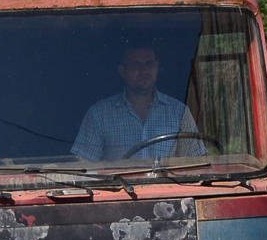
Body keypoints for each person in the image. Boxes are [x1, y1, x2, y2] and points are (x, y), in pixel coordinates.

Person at [71, 45, 207, 161]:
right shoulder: (99, 114)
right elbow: (83, 166)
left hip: (168, 190)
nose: (144, 71)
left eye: (149, 63)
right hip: (119, 190)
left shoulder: (179, 112)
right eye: (136, 64)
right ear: (123, 71)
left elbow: (195, 163)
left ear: (157, 67)